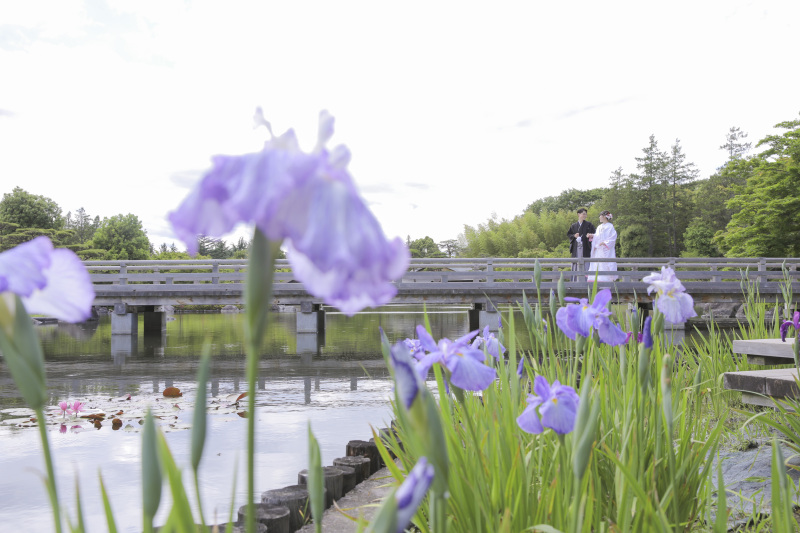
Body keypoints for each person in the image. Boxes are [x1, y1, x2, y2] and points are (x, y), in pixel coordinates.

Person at [587, 210, 617, 282]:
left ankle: (606, 282)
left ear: (604, 217)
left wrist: (605, 242)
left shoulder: (610, 226)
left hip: (606, 250)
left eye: (600, 216)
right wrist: (592, 235)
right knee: (597, 265)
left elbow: (613, 237)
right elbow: (597, 236)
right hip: (598, 250)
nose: (599, 217)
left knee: (605, 265)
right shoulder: (599, 227)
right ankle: (597, 281)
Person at [568, 208, 595, 280]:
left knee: (586, 263)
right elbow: (569, 234)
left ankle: (587, 281)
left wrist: (590, 235)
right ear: (578, 214)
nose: (585, 215)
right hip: (576, 248)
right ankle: (574, 280)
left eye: (585, 214)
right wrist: (574, 236)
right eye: (583, 214)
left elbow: (594, 234)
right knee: (576, 263)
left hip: (585, 247)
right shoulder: (574, 225)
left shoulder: (589, 225)